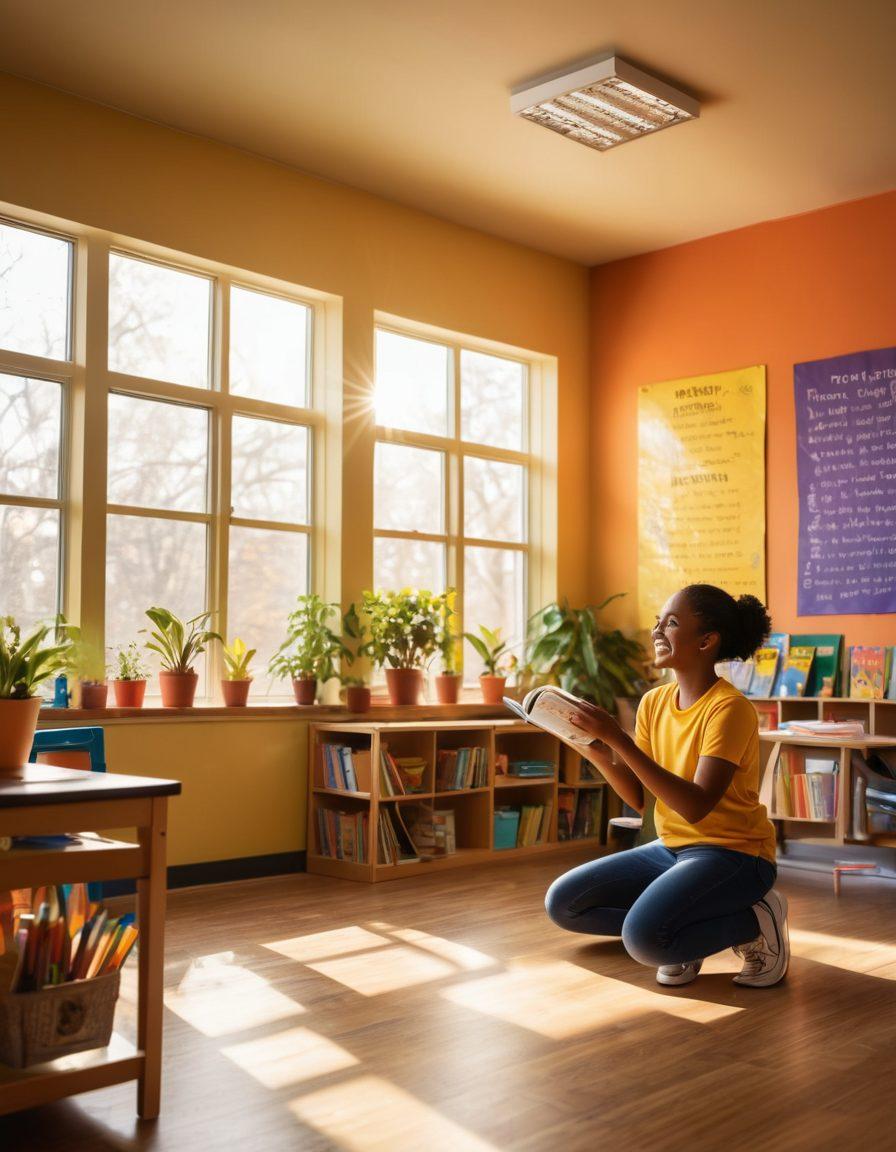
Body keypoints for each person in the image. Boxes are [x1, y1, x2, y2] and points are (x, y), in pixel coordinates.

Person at [544, 584, 789, 988]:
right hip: (672, 848)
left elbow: (696, 806)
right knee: (564, 904)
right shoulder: (654, 702)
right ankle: (681, 933)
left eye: (671, 623)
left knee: (643, 941)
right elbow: (643, 799)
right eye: (658, 621)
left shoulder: (729, 709)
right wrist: (592, 748)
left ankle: (755, 920)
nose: (657, 630)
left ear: (707, 641)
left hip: (735, 856)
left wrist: (617, 738)